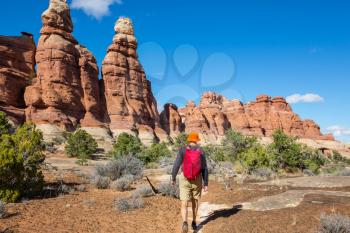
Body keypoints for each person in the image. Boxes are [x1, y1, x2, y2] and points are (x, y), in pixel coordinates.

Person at [172, 132, 209, 233]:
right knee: (195, 201)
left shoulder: (183, 150)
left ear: (189, 140)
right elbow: (204, 168)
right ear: (197, 141)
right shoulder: (201, 151)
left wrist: (173, 177)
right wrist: (205, 183)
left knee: (184, 202)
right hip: (197, 179)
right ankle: (193, 221)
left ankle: (184, 222)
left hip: (184, 178)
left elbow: (176, 164)